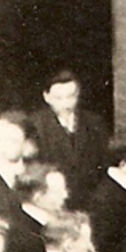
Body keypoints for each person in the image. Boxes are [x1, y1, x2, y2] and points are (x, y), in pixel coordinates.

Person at [29, 69, 111, 202]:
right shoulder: (35, 127)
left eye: (71, 96)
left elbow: (103, 165)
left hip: (91, 201)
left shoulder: (94, 123)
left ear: (78, 94)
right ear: (47, 97)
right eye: (58, 98)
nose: (66, 104)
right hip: (53, 202)